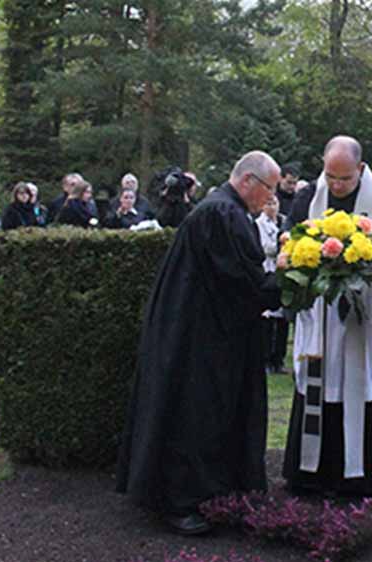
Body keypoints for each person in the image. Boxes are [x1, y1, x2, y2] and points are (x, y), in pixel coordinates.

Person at [115, 151, 283, 536]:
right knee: (195, 415)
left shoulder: (221, 210)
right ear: (249, 182)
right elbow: (244, 283)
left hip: (201, 328)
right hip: (198, 336)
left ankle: (211, 492)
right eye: (270, 190)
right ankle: (181, 501)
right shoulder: (222, 215)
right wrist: (287, 281)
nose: (271, 199)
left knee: (204, 413)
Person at [281, 136, 372, 501]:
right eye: (331, 176)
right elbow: (290, 240)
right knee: (318, 387)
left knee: (369, 388)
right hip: (321, 320)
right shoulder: (307, 197)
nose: (337, 185)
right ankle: (311, 476)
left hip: (365, 320)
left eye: (344, 178)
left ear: (360, 170)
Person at [255, 196, 290, 374]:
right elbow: (264, 247)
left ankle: (279, 359)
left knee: (282, 320)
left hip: (282, 270)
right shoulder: (258, 224)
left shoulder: (284, 222)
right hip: (268, 267)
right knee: (268, 320)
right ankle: (267, 360)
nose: (272, 207)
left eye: (274, 203)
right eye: (268, 203)